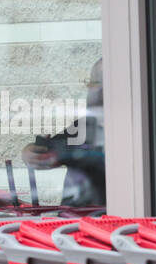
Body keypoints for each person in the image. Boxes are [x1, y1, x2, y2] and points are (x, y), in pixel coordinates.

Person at [22, 58, 107, 208]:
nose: (90, 89)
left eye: (94, 83)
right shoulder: (85, 125)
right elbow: (45, 154)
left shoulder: (139, 129)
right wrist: (30, 153)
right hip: (74, 215)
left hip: (103, 217)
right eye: (91, 83)